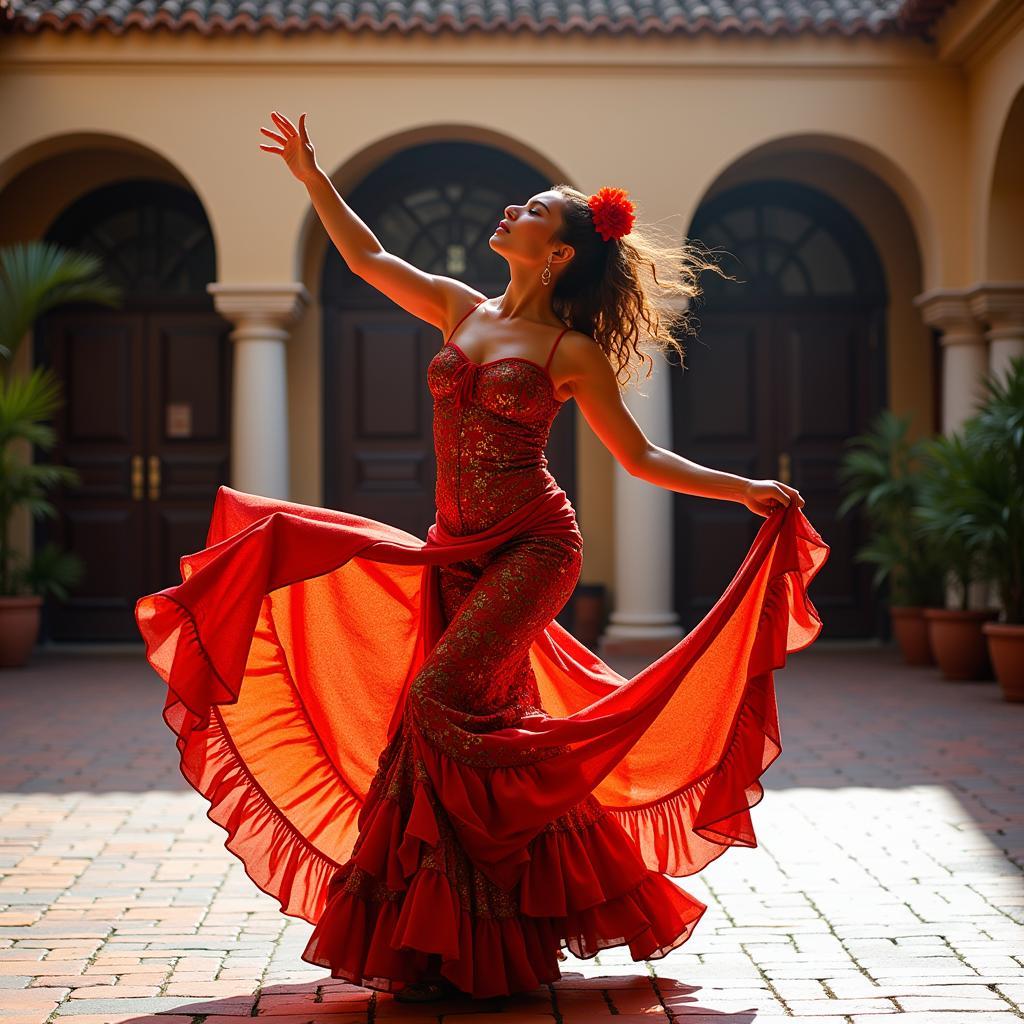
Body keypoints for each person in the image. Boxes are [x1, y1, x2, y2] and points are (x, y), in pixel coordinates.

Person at [135, 112, 828, 1007]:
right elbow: (368, 261)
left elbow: (640, 459)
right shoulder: (464, 307)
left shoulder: (567, 351)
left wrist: (742, 489)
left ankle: (465, 921)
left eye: (532, 208)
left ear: (561, 254)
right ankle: (469, 933)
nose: (511, 209)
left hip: (534, 548)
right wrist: (315, 181)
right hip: (453, 551)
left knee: (435, 703)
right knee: (469, 725)